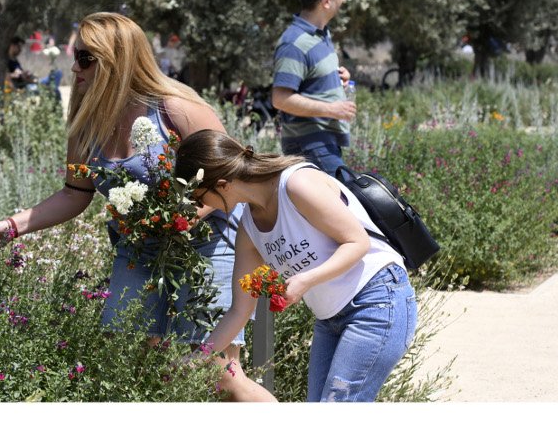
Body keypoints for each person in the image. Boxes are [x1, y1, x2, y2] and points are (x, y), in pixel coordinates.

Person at [0, 12, 274, 402]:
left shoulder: (175, 108)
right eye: (75, 56)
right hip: (137, 253)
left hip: (206, 247)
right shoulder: (86, 123)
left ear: (117, 60)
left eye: (86, 58)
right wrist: (12, 226)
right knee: (142, 366)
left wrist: (183, 218)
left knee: (218, 373)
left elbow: (231, 179)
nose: (75, 66)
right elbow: (73, 194)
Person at [175, 129, 417, 402]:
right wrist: (197, 359)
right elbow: (239, 310)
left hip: (377, 300)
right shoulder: (249, 228)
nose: (198, 207)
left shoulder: (295, 184)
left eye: (198, 198)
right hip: (330, 319)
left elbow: (357, 242)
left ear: (222, 184)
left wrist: (305, 281)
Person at [271, 0, 354, 176]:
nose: (344, 0)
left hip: (325, 143)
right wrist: (332, 109)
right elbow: (280, 99)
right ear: (326, 1)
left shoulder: (321, 35)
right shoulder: (294, 43)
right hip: (310, 147)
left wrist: (337, 79)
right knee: (345, 205)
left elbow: (310, 82)